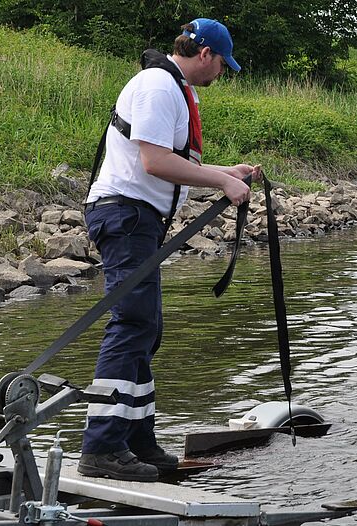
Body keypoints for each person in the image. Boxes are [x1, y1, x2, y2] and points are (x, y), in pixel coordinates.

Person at [78, 18, 261, 482]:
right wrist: (220, 181)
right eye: (222, 64)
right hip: (125, 215)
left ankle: (136, 441)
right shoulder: (159, 86)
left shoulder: (174, 87)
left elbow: (170, 159)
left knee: (146, 328)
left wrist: (225, 172)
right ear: (205, 54)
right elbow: (155, 162)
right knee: (132, 324)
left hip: (137, 219)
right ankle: (101, 448)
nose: (222, 72)